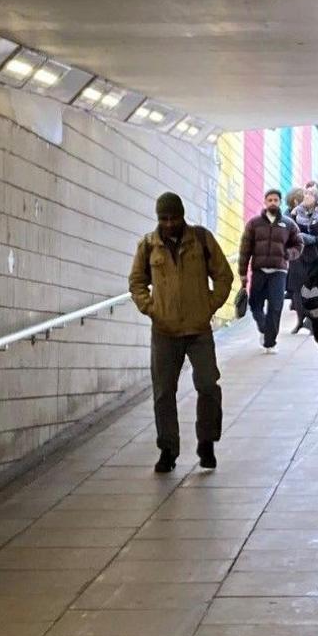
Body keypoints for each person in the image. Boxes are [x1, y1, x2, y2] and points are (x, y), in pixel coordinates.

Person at [129, 192, 233, 472]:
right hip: (164, 331)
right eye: (164, 218)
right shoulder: (149, 246)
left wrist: (208, 305)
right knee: (164, 392)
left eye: (174, 217)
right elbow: (137, 282)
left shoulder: (200, 239)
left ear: (182, 215)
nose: (169, 223)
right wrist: (151, 308)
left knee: (209, 385)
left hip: (198, 330)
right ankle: (168, 450)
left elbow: (223, 275)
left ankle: (207, 443)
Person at [237, 189, 302, 351]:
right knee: (255, 303)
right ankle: (265, 329)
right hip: (259, 270)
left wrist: (288, 254)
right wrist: (243, 273)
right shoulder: (254, 223)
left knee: (276, 306)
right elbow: (245, 249)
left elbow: (299, 244)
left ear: (279, 202)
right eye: (270, 200)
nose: (273, 202)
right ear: (265, 202)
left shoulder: (288, 224)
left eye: (275, 200)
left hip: (279, 271)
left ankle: (270, 342)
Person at [288, 188, 318, 338]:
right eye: (305, 194)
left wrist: (313, 239)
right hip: (298, 256)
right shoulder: (295, 213)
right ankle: (300, 320)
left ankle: (312, 320)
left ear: (316, 199)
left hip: (315, 256)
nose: (306, 197)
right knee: (297, 289)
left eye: (309, 195)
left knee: (314, 289)